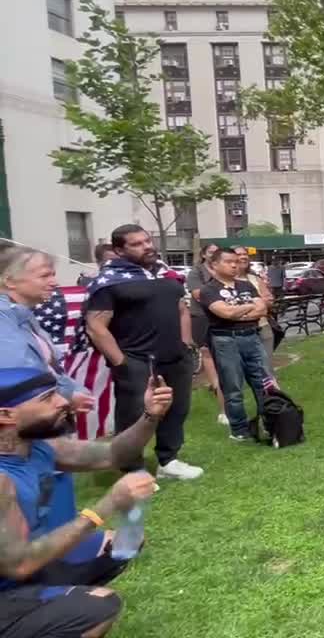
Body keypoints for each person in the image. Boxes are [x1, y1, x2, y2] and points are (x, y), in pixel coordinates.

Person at [0, 366, 169, 638]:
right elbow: (19, 564)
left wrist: (150, 415)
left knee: (125, 541)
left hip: (26, 568)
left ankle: (51, 602)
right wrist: (106, 505)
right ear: (5, 415)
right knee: (100, 606)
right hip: (12, 582)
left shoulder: (37, 447)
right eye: (47, 398)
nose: (63, 402)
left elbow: (114, 454)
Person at [83, 226, 202, 481]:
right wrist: (121, 362)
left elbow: (181, 309)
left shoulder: (166, 275)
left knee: (177, 409)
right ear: (119, 250)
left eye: (147, 241)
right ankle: (132, 469)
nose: (147, 246)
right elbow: (95, 326)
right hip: (136, 360)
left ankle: (168, 461)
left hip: (174, 357)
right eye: (136, 244)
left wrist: (185, 344)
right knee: (134, 415)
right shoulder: (109, 282)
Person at [0, 247, 95, 412]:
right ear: (10, 281)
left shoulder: (24, 315)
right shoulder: (4, 317)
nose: (55, 282)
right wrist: (67, 395)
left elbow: (52, 367)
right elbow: (22, 374)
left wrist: (74, 391)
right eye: (44, 276)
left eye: (53, 274)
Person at [199, 248, 273, 442]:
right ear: (214, 265)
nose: (234, 265)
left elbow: (262, 309)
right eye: (228, 262)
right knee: (233, 386)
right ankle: (239, 429)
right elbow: (226, 313)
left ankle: (268, 421)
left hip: (252, 336)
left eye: (235, 261)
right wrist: (248, 308)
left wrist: (239, 311)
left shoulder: (246, 285)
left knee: (262, 382)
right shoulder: (209, 290)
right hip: (225, 339)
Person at [187, 243, 228, 427]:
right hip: (202, 317)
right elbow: (198, 294)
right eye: (210, 252)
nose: (213, 255)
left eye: (216, 252)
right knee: (208, 353)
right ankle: (215, 384)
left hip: (222, 316)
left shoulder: (224, 270)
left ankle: (221, 386)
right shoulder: (196, 272)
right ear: (203, 255)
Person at [235, 251, 275, 359]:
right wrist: (257, 304)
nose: (243, 257)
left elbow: (269, 300)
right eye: (239, 254)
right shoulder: (224, 281)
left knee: (266, 366)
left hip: (262, 326)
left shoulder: (254, 278)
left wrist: (251, 306)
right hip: (238, 332)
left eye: (245, 254)